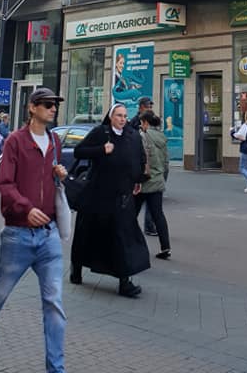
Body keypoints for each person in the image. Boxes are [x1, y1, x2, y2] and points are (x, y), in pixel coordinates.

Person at [0, 87, 68, 373]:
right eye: (47, 104)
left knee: (54, 304)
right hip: (18, 236)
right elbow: (5, 183)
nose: (53, 108)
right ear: (32, 107)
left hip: (48, 236)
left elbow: (48, 180)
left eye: (55, 104)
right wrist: (25, 208)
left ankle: (56, 369)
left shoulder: (54, 141)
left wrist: (58, 174)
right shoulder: (15, 141)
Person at [69, 103, 150, 297]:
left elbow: (138, 159)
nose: (122, 119)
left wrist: (138, 179)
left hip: (121, 197)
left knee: (123, 237)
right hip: (97, 196)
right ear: (111, 117)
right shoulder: (101, 133)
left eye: (125, 116)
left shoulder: (132, 136)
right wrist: (101, 150)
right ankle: (76, 269)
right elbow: (79, 151)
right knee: (86, 234)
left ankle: (125, 282)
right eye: (118, 115)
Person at [136, 111, 171, 259]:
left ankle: (132, 246)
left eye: (141, 123)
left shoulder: (143, 136)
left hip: (143, 182)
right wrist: (162, 177)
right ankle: (166, 247)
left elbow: (139, 159)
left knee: (131, 215)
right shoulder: (162, 137)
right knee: (158, 215)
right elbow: (166, 162)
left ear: (145, 123)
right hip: (157, 180)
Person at [128, 97, 158, 235]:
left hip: (150, 167)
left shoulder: (153, 121)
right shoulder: (134, 122)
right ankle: (128, 226)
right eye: (147, 106)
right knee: (137, 201)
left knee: (151, 198)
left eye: (151, 106)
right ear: (140, 107)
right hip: (139, 167)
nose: (150, 108)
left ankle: (148, 226)